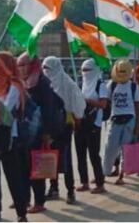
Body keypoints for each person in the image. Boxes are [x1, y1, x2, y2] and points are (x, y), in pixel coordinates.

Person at [0, 52, 28, 222]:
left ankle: (21, 212)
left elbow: (6, 110)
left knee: (13, 176)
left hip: (9, 137)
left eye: (0, 65)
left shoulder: (15, 86)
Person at [42, 57, 86, 205]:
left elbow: (78, 103)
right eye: (44, 68)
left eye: (49, 68)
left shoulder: (68, 83)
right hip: (49, 126)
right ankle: (53, 187)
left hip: (64, 125)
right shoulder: (45, 84)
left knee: (65, 159)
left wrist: (77, 119)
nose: (46, 71)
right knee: (50, 156)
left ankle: (70, 191)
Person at [17, 53, 57, 214]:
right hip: (25, 132)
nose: (22, 69)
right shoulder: (24, 84)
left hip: (39, 133)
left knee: (36, 168)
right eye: (19, 65)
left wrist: (47, 133)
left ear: (33, 65)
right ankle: (24, 199)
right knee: (23, 169)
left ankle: (39, 201)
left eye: (25, 65)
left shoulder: (42, 84)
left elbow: (49, 110)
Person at [102, 59, 139, 185]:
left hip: (129, 120)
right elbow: (105, 102)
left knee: (126, 149)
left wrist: (138, 126)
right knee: (109, 148)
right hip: (115, 119)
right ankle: (104, 173)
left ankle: (121, 175)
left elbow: (137, 107)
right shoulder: (111, 85)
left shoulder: (134, 87)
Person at [75, 59, 107, 194]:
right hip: (81, 122)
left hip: (94, 124)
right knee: (80, 154)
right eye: (83, 70)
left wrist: (88, 101)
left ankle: (100, 183)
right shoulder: (82, 84)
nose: (85, 73)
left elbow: (103, 104)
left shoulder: (101, 85)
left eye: (88, 70)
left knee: (94, 155)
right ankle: (84, 182)